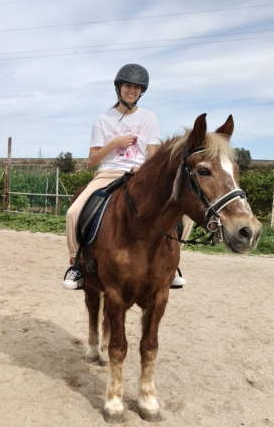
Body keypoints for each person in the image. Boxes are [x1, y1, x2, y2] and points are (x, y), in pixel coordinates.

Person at [62, 63, 188, 291]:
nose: (132, 90)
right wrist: (114, 143)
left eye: (137, 88)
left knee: (184, 213)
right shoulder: (104, 119)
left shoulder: (149, 118)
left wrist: (145, 169)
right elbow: (91, 160)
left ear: (142, 92)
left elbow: (152, 153)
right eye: (128, 86)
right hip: (109, 172)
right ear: (118, 88)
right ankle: (76, 264)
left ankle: (172, 263)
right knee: (73, 212)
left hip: (142, 174)